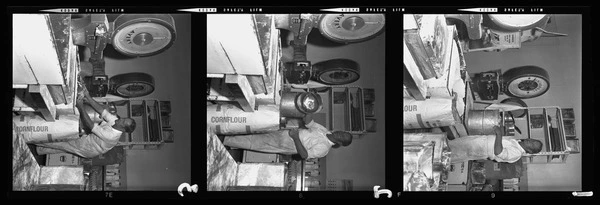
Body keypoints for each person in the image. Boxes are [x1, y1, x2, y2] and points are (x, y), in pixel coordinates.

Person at [35, 86, 136, 158]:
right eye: (124, 118)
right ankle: (40, 150)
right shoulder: (116, 121)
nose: (120, 119)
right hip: (92, 141)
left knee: (63, 144)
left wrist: (80, 106)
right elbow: (102, 111)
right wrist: (88, 96)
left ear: (123, 129)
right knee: (66, 146)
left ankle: (34, 139)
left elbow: (91, 126)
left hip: (90, 148)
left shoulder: (111, 136)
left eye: (123, 122)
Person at [221, 113, 352, 159]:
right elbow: (309, 123)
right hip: (287, 133)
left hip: (289, 143)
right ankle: (225, 131)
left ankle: (224, 141)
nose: (340, 133)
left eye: (342, 137)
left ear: (340, 143)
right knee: (256, 130)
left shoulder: (324, 149)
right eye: (343, 132)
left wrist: (295, 138)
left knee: (255, 142)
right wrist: (309, 110)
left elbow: (304, 155)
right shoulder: (325, 131)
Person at [448, 126, 543, 163]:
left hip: (480, 149)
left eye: (532, 143)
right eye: (533, 139)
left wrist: (499, 134)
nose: (530, 140)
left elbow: (499, 152)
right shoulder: (516, 142)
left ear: (530, 151)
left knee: (450, 154)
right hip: (479, 142)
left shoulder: (517, 154)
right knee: (452, 144)